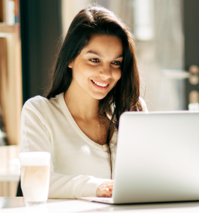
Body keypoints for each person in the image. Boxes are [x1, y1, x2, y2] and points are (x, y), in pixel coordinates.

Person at [19, 5, 145, 199]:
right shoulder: (40, 112)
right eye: (94, 60)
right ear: (70, 59)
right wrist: (97, 186)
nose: (106, 73)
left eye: (116, 62)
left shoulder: (130, 112)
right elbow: (36, 184)